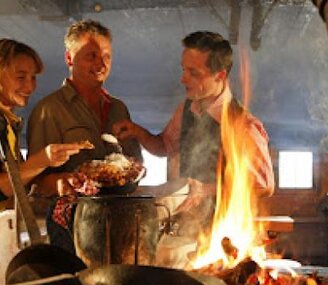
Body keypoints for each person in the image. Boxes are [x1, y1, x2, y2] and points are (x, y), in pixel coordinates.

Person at [113, 31, 275, 237]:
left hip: (223, 235)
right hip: (186, 228)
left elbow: (263, 186)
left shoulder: (243, 125)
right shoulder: (187, 108)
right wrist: (137, 132)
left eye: (193, 73)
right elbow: (164, 146)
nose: (183, 79)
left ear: (220, 76)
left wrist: (205, 190)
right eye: (183, 70)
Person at [27, 19, 142, 253]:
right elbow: (34, 180)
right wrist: (61, 182)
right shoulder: (48, 110)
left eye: (107, 56)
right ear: (69, 58)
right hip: (72, 224)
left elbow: (135, 165)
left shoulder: (119, 108)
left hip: (120, 218)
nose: (101, 63)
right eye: (91, 55)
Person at [0, 38, 85, 210]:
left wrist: (58, 181)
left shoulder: (8, 123)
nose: (30, 86)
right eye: (21, 77)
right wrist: (41, 161)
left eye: (33, 77)